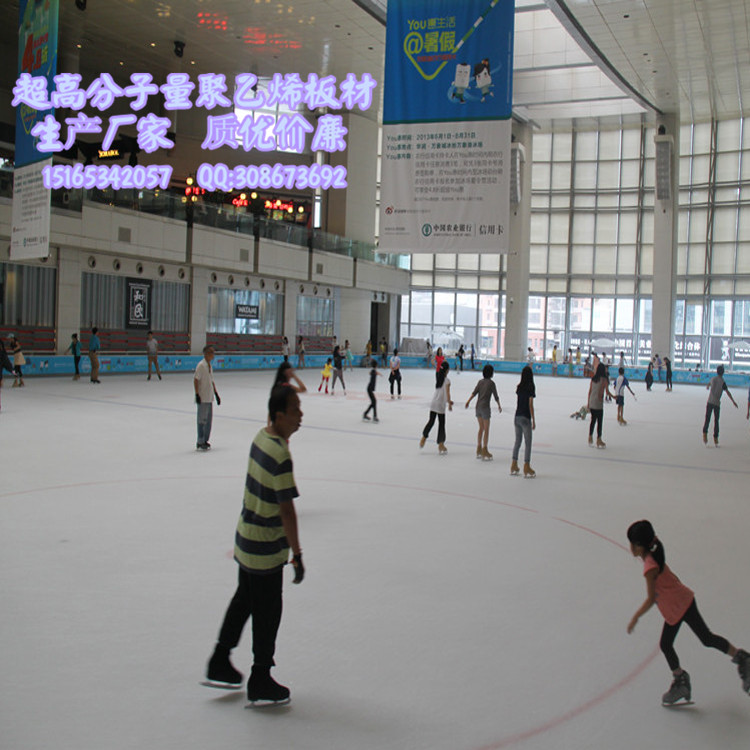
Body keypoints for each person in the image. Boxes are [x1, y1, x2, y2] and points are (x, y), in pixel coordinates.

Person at [204, 385, 304, 704]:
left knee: (244, 600)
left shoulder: (260, 437)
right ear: (279, 415)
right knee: (268, 611)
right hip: (265, 549)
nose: (300, 416)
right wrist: (297, 555)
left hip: (245, 540)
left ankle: (220, 659)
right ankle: (261, 676)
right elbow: (287, 509)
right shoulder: (280, 454)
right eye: (295, 410)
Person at [626, 520, 750, 706]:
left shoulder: (650, 567)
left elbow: (651, 598)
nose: (630, 547)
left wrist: (635, 617)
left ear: (639, 545)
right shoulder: (654, 554)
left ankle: (681, 680)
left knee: (670, 644)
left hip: (678, 606)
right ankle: (741, 657)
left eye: (632, 543)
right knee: (704, 638)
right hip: (682, 602)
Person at [465, 363, 502, 460]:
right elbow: (495, 396)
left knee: (481, 428)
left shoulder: (480, 382)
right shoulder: (491, 383)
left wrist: (468, 401)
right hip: (485, 408)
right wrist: (499, 405)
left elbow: (474, 392)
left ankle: (478, 448)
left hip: (478, 407)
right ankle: (484, 449)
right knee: (486, 429)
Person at [419, 360, 453, 454]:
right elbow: (447, 393)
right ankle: (441, 444)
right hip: (441, 404)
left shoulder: (438, 378)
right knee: (441, 424)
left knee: (431, 421)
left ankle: (424, 438)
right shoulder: (447, 381)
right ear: (447, 371)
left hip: (434, 402)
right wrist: (449, 403)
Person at [702, 364, 738, 445]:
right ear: (723, 373)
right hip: (717, 404)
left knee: (707, 419)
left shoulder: (713, 379)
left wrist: (708, 386)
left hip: (710, 402)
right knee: (716, 421)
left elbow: (709, 383)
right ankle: (715, 437)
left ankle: (705, 434)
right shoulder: (722, 382)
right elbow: (727, 392)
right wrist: (733, 401)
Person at [510, 365, 536, 477]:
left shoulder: (519, 387)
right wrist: (533, 419)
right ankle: (526, 466)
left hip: (517, 417)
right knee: (528, 443)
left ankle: (514, 464)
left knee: (517, 441)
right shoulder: (531, 386)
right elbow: (530, 404)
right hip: (525, 417)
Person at [194, 344, 220, 450]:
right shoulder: (201, 365)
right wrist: (197, 394)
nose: (213, 355)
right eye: (211, 352)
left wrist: (216, 394)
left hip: (209, 397)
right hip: (203, 396)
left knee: (208, 420)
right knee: (202, 420)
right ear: (206, 354)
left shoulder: (209, 366)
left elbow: (211, 381)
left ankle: (205, 439)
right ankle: (200, 440)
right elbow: (196, 380)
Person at [587, 363, 614, 448]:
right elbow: (607, 392)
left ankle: (590, 437)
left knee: (593, 420)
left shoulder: (593, 379)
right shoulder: (604, 380)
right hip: (598, 403)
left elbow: (590, 391)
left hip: (592, 401)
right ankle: (599, 439)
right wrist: (614, 397)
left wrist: (588, 403)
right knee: (599, 422)